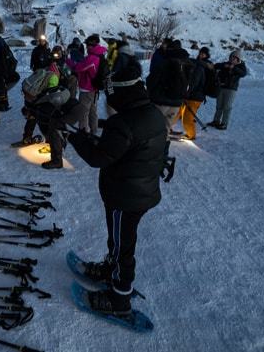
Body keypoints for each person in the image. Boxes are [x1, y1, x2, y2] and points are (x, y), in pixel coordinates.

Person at [68, 56, 167, 316]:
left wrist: (76, 139)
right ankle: (110, 270)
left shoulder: (123, 122)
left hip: (126, 197)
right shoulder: (150, 113)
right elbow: (125, 146)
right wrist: (97, 137)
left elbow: (98, 157)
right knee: (118, 239)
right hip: (138, 191)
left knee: (124, 246)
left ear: (121, 94)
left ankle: (120, 299)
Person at [146, 39, 191, 138]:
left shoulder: (164, 63)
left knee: (153, 127)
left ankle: (151, 151)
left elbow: (151, 81)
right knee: (166, 129)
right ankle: (164, 151)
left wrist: (150, 93)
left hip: (161, 101)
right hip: (177, 103)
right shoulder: (187, 63)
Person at [67, 34, 106, 134]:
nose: (86, 47)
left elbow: (78, 67)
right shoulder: (100, 55)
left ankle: (84, 135)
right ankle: (94, 132)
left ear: (91, 45)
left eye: (87, 45)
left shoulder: (92, 58)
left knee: (83, 113)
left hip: (87, 90)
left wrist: (67, 60)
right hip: (94, 90)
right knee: (93, 113)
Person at [175, 47, 211, 140]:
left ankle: (191, 135)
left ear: (207, 55)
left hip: (195, 96)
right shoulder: (197, 63)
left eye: (204, 54)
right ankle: (167, 128)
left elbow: (194, 82)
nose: (201, 55)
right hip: (192, 95)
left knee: (187, 117)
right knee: (179, 112)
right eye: (200, 53)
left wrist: (186, 92)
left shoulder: (201, 66)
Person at [210, 49, 247, 130]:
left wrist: (233, 68)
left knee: (227, 106)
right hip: (222, 87)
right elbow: (216, 65)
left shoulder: (241, 66)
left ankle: (224, 123)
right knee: (219, 105)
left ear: (238, 59)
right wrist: (224, 66)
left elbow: (243, 73)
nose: (232, 59)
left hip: (231, 89)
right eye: (231, 57)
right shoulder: (226, 64)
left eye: (234, 58)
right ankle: (216, 121)